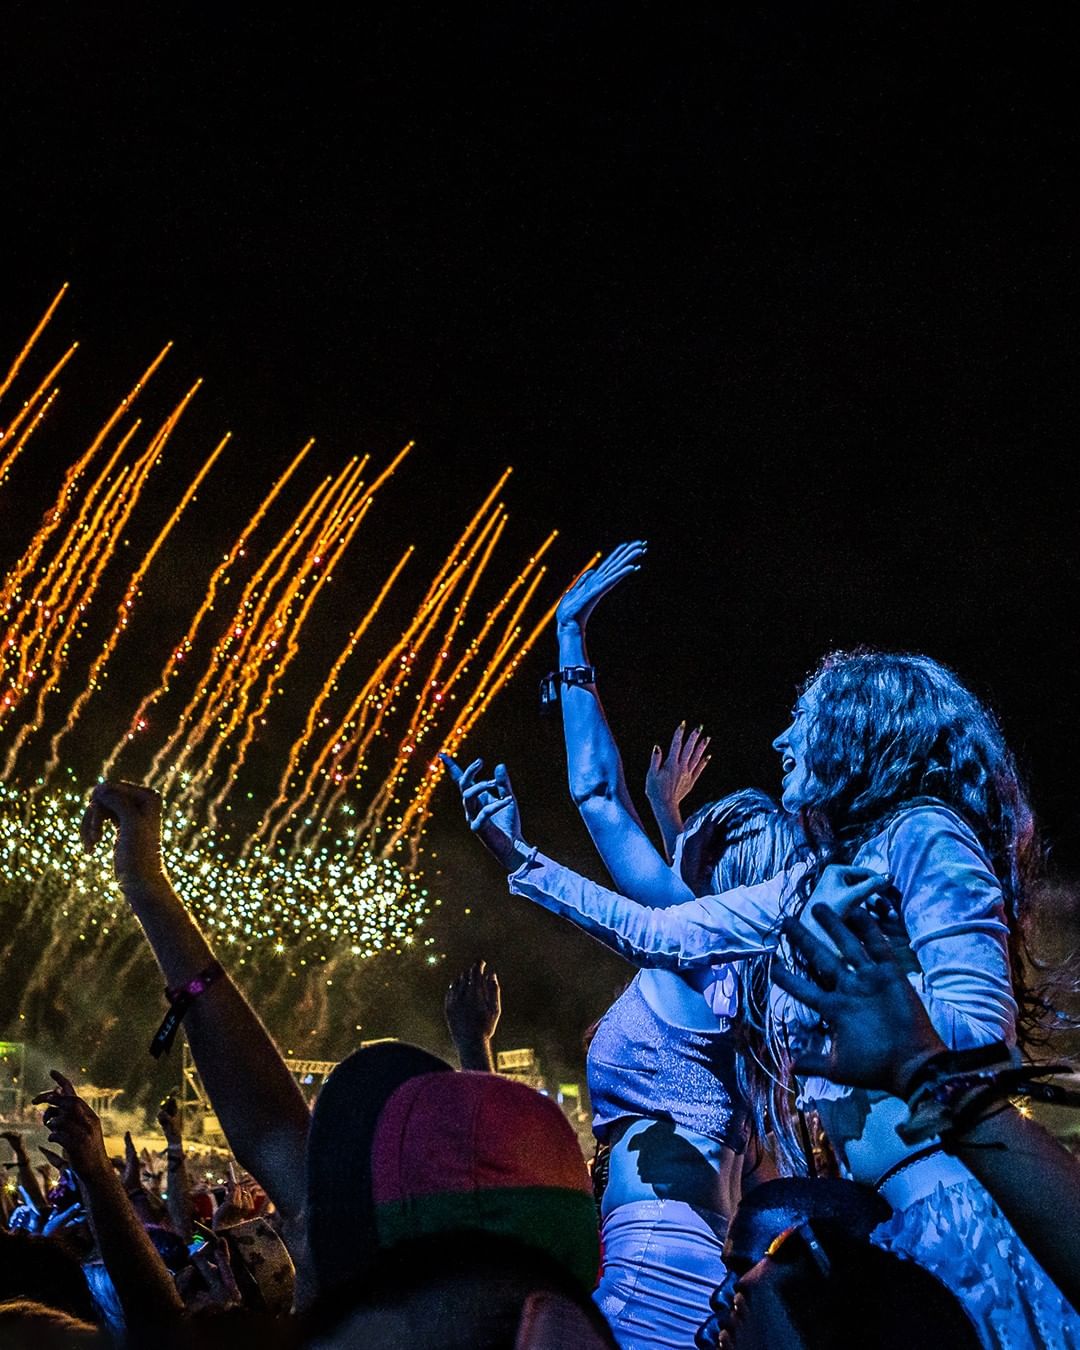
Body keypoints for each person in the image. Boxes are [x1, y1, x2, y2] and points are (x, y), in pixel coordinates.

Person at [444, 648, 1079, 1348]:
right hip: (889, 1232)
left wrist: (901, 1039)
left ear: (859, 728)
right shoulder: (811, 882)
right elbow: (657, 931)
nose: (781, 739)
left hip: (956, 1206)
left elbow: (987, 1046)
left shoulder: (923, 833)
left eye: (801, 719)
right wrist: (519, 857)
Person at [539, 541, 801, 1348]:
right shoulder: (750, 979)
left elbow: (596, 796)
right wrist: (670, 815)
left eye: (692, 847)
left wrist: (571, 638)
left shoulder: (698, 960)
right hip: (684, 1267)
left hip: (653, 1280)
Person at [771, 900, 1080, 1316]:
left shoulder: (929, 861)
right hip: (900, 1231)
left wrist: (920, 1064)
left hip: (965, 1222)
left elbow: (986, 1034)